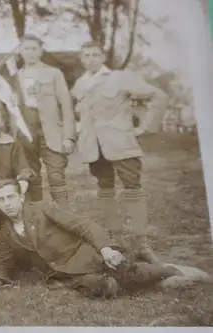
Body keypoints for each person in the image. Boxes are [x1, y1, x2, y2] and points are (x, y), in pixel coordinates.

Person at [0, 179, 211, 298]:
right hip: (63, 274)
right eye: (1, 200)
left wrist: (105, 249)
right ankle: (154, 282)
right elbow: (4, 259)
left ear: (21, 196)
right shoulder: (4, 230)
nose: (7, 203)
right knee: (102, 287)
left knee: (127, 272)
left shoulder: (42, 208)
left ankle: (169, 271)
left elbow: (83, 224)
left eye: (11, 197)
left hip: (86, 255)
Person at [70, 41, 169, 264]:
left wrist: (145, 127)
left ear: (103, 57)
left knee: (133, 190)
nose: (91, 59)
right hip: (94, 148)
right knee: (105, 190)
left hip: (121, 144)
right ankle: (113, 240)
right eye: (86, 55)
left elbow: (159, 96)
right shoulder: (80, 84)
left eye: (95, 54)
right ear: (82, 59)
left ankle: (143, 245)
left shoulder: (121, 78)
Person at [8, 34, 76, 204]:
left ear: (41, 51)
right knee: (31, 176)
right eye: (26, 49)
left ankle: (64, 219)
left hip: (51, 130)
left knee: (56, 176)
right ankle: (37, 219)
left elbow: (66, 105)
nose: (30, 52)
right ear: (20, 52)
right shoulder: (15, 77)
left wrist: (68, 136)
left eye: (34, 48)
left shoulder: (53, 73)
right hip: (25, 132)